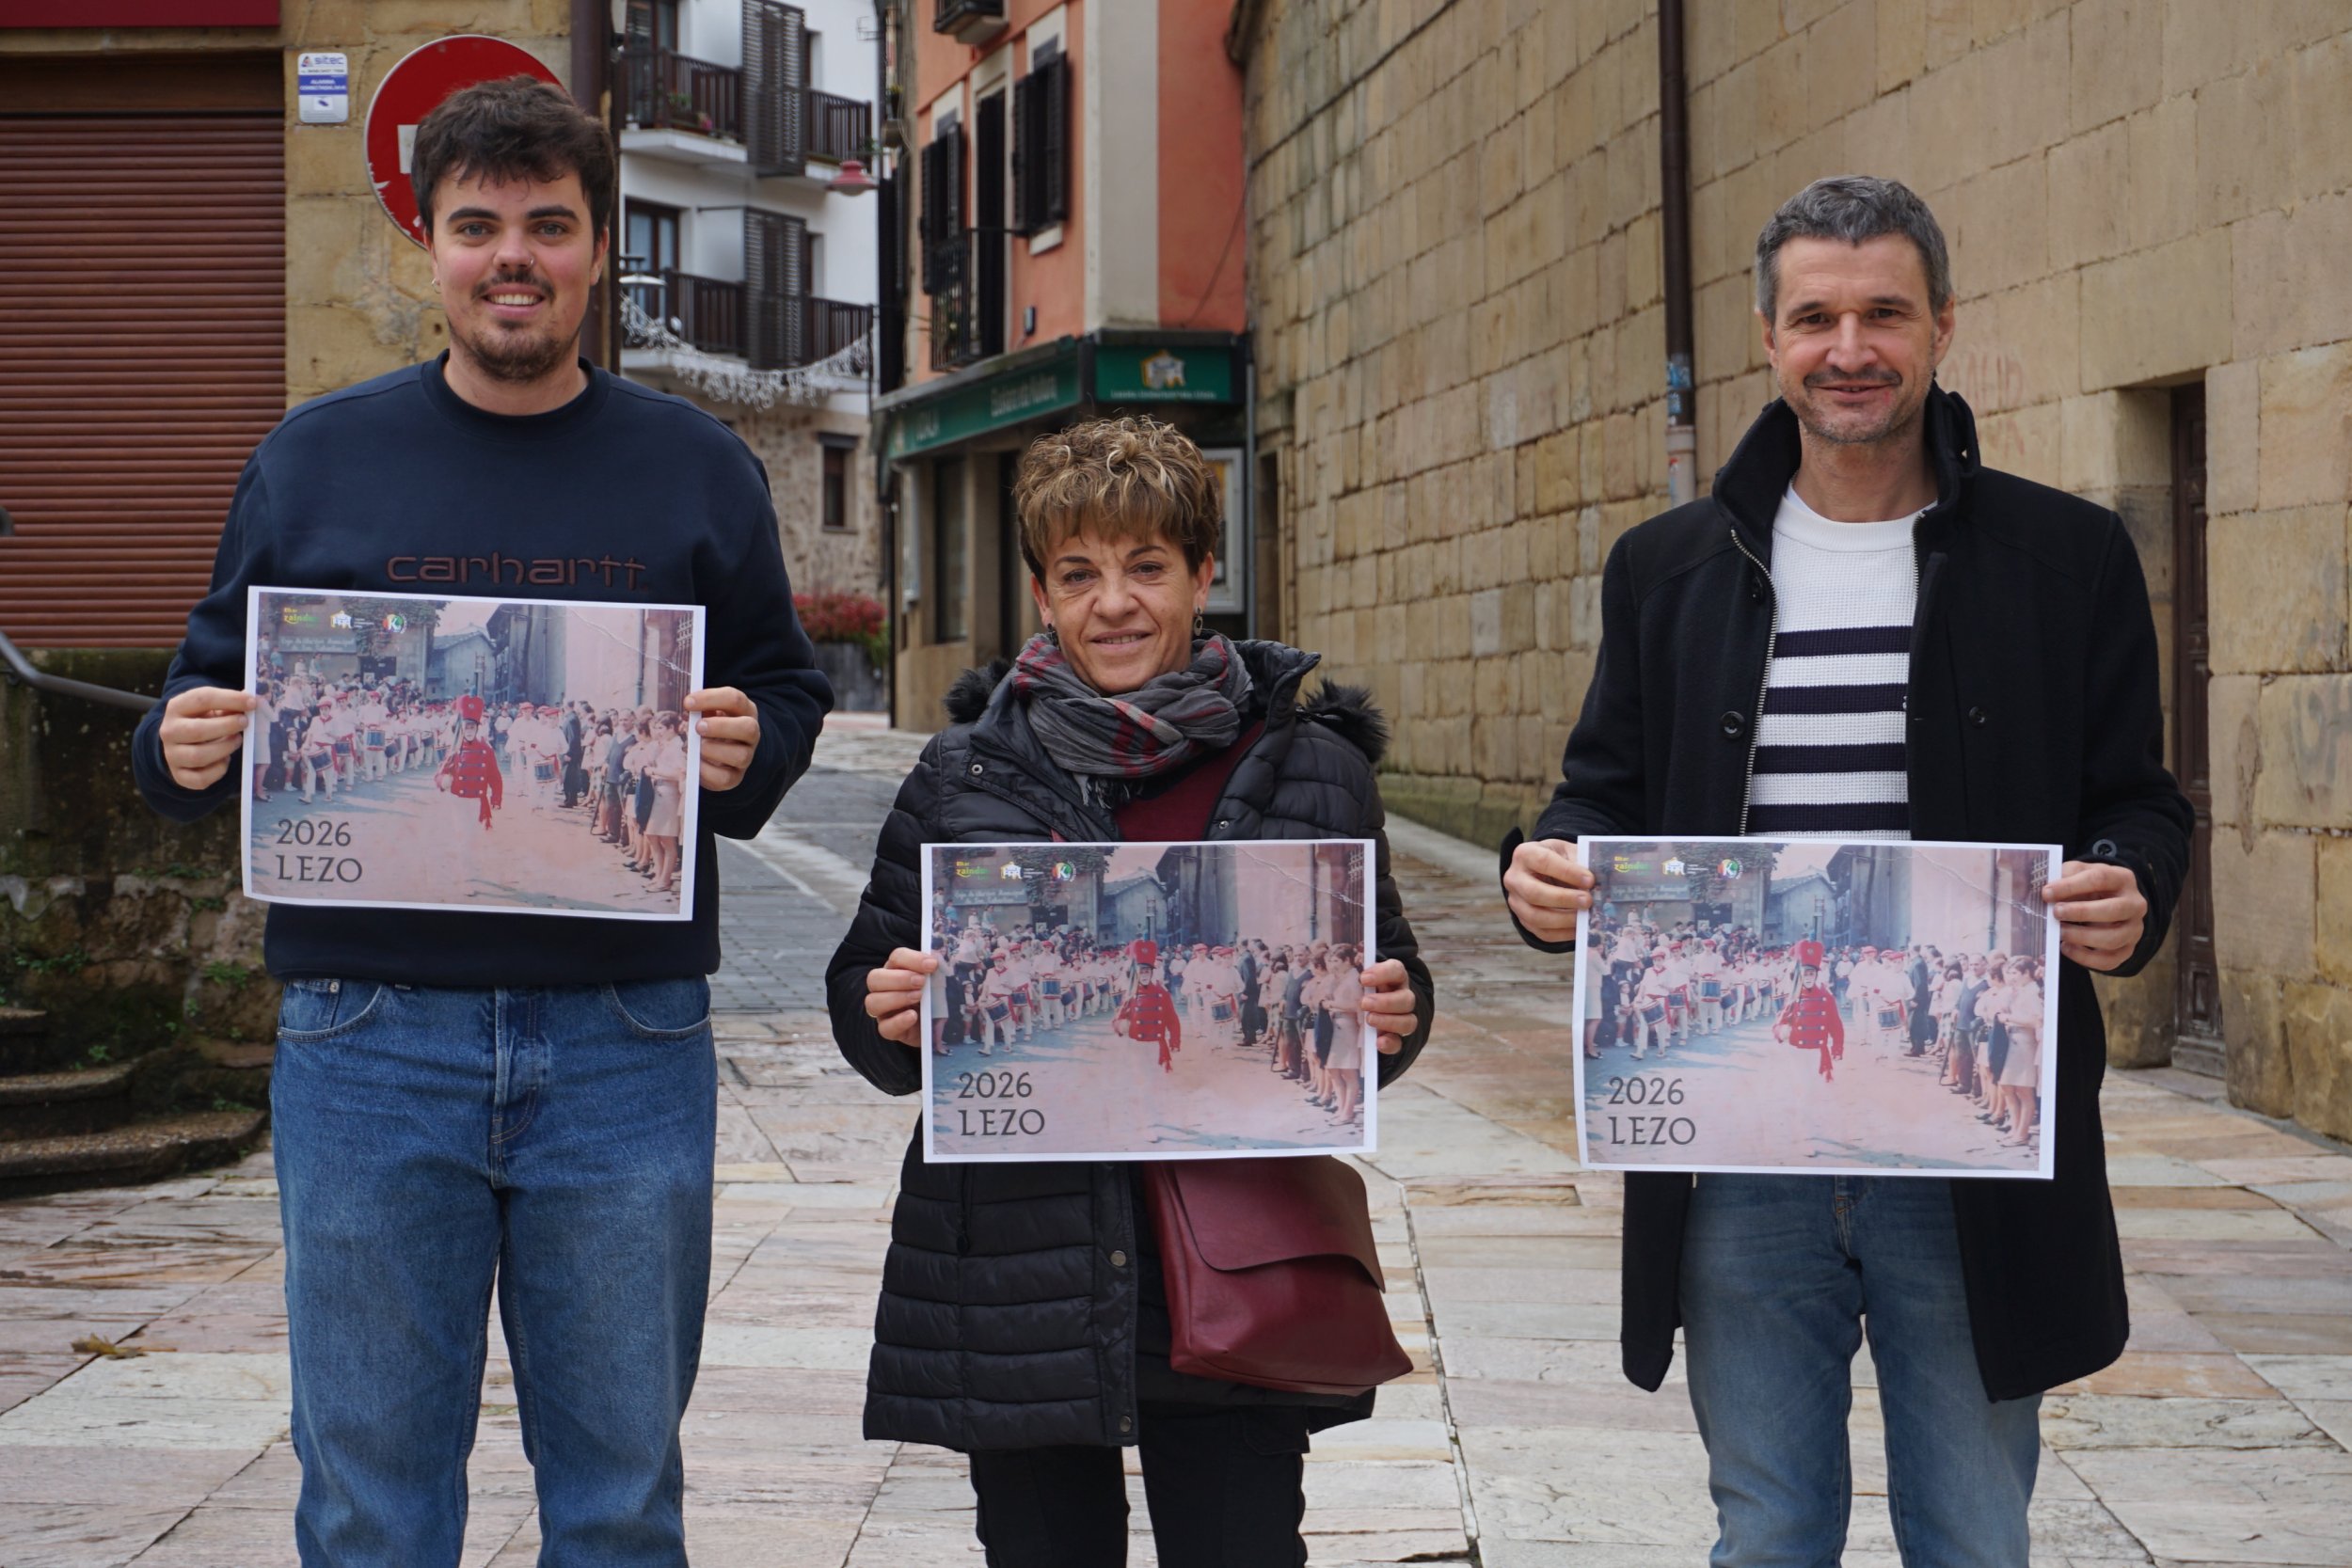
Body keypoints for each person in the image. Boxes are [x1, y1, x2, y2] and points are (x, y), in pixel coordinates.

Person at [135, 78, 832, 1566]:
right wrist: (175, 741)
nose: (514, 255)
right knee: (369, 1504)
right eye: (479, 225)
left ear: (598, 250)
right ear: (430, 246)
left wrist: (749, 741)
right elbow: (204, 686)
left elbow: (783, 687)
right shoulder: (313, 458)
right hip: (367, 1033)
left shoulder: (697, 465)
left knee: (622, 1499)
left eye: (548, 225)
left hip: (626, 1036)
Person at [1501, 176, 2191, 1565]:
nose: (1850, 347)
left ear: (1943, 325)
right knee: (1766, 1532)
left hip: (1972, 1139)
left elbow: (2137, 800)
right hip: (1742, 1145)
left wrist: (2128, 880)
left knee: (1974, 1532)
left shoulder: (2067, 557)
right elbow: (1599, 791)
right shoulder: (1667, 567)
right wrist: (1547, 867)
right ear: (1768, 336)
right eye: (1816, 317)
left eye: (1884, 312)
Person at [829, 415, 1435, 1567]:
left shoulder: (1313, 770)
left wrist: (1391, 1016)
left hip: (1238, 1256)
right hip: (1021, 1273)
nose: (1113, 602)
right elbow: (864, 988)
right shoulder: (962, 776)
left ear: (1203, 575)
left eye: (1146, 566)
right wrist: (890, 1008)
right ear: (1041, 593)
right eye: (1078, 573)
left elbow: (1388, 989)